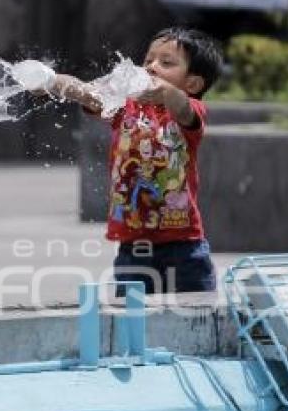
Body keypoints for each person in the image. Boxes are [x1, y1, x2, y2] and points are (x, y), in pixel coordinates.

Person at [45, 26, 223, 294]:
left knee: (196, 318)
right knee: (133, 322)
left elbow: (181, 105)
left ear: (193, 84)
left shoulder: (188, 113)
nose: (151, 67)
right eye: (148, 60)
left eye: (166, 63)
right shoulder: (125, 108)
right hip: (133, 248)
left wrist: (165, 92)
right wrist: (50, 80)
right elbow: (85, 92)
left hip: (184, 247)